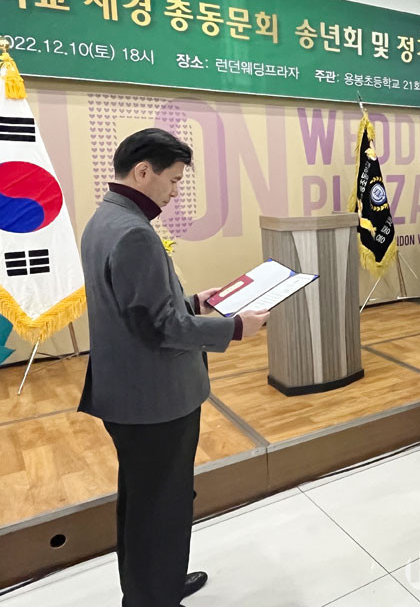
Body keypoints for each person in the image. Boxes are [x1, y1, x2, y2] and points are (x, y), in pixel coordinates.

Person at [79, 128, 270, 607]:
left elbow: (138, 308)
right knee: (162, 505)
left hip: (127, 394)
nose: (175, 191)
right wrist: (235, 328)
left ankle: (153, 585)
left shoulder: (104, 219)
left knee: (143, 501)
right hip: (154, 400)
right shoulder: (134, 232)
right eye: (174, 180)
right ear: (144, 171)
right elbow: (159, 328)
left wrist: (193, 301)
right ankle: (153, 597)